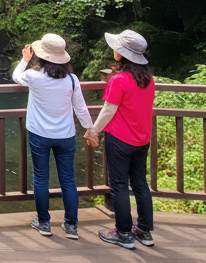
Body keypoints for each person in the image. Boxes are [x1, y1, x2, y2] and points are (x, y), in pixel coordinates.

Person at [12, 33, 94, 239]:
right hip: (65, 135)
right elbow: (81, 108)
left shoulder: (33, 76)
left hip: (39, 134)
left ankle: (44, 222)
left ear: (41, 56)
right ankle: (71, 225)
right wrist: (90, 129)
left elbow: (16, 76)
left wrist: (24, 60)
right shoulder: (72, 80)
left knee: (41, 178)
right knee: (68, 180)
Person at [85, 30, 155, 249]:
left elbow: (108, 110)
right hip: (142, 138)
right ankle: (144, 230)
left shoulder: (119, 79)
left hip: (120, 139)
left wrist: (93, 131)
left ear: (122, 54)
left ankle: (123, 233)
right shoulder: (148, 78)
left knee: (118, 185)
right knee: (141, 184)